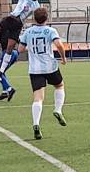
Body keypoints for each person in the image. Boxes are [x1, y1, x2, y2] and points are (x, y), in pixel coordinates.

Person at [18, 8, 68, 140]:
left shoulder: (28, 31)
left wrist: (31, 48)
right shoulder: (50, 31)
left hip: (35, 69)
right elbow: (59, 45)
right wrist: (63, 58)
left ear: (34, 18)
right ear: (47, 18)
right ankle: (58, 109)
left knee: (38, 98)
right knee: (59, 85)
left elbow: (20, 49)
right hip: (50, 66)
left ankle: (36, 124)